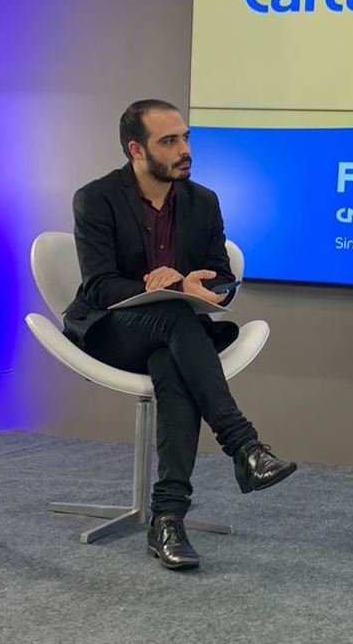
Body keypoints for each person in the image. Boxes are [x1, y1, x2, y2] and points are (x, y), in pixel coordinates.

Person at [63, 99, 296, 571]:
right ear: (136, 150)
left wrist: (198, 287)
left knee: (173, 359)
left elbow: (223, 278)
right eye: (169, 141)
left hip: (177, 341)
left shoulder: (203, 201)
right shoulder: (96, 198)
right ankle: (243, 444)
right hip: (111, 332)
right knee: (173, 315)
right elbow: (99, 286)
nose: (183, 150)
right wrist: (162, 286)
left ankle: (168, 518)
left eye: (185, 138)